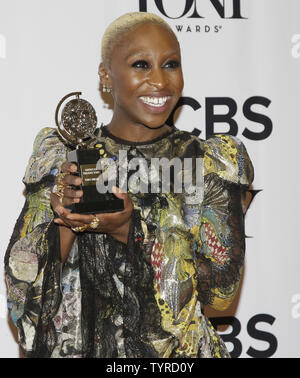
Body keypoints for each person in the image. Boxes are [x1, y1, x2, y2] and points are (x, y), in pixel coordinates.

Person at [4, 12, 254, 358]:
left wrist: (131, 230)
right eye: (141, 64)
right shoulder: (64, 160)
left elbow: (221, 292)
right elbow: (20, 293)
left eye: (170, 64)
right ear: (106, 75)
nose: (159, 81)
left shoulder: (206, 162)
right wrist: (66, 220)